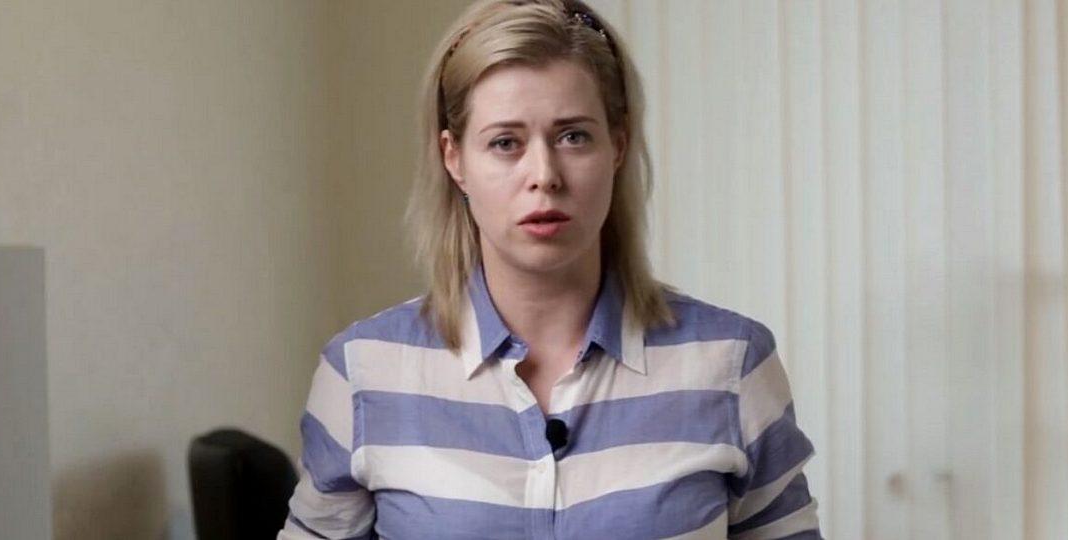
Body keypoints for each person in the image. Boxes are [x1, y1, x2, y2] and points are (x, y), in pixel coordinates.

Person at [278, 1, 820, 538]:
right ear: (454, 159)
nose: (544, 174)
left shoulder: (731, 364)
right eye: (505, 143)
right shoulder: (363, 374)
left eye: (573, 136)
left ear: (618, 146)